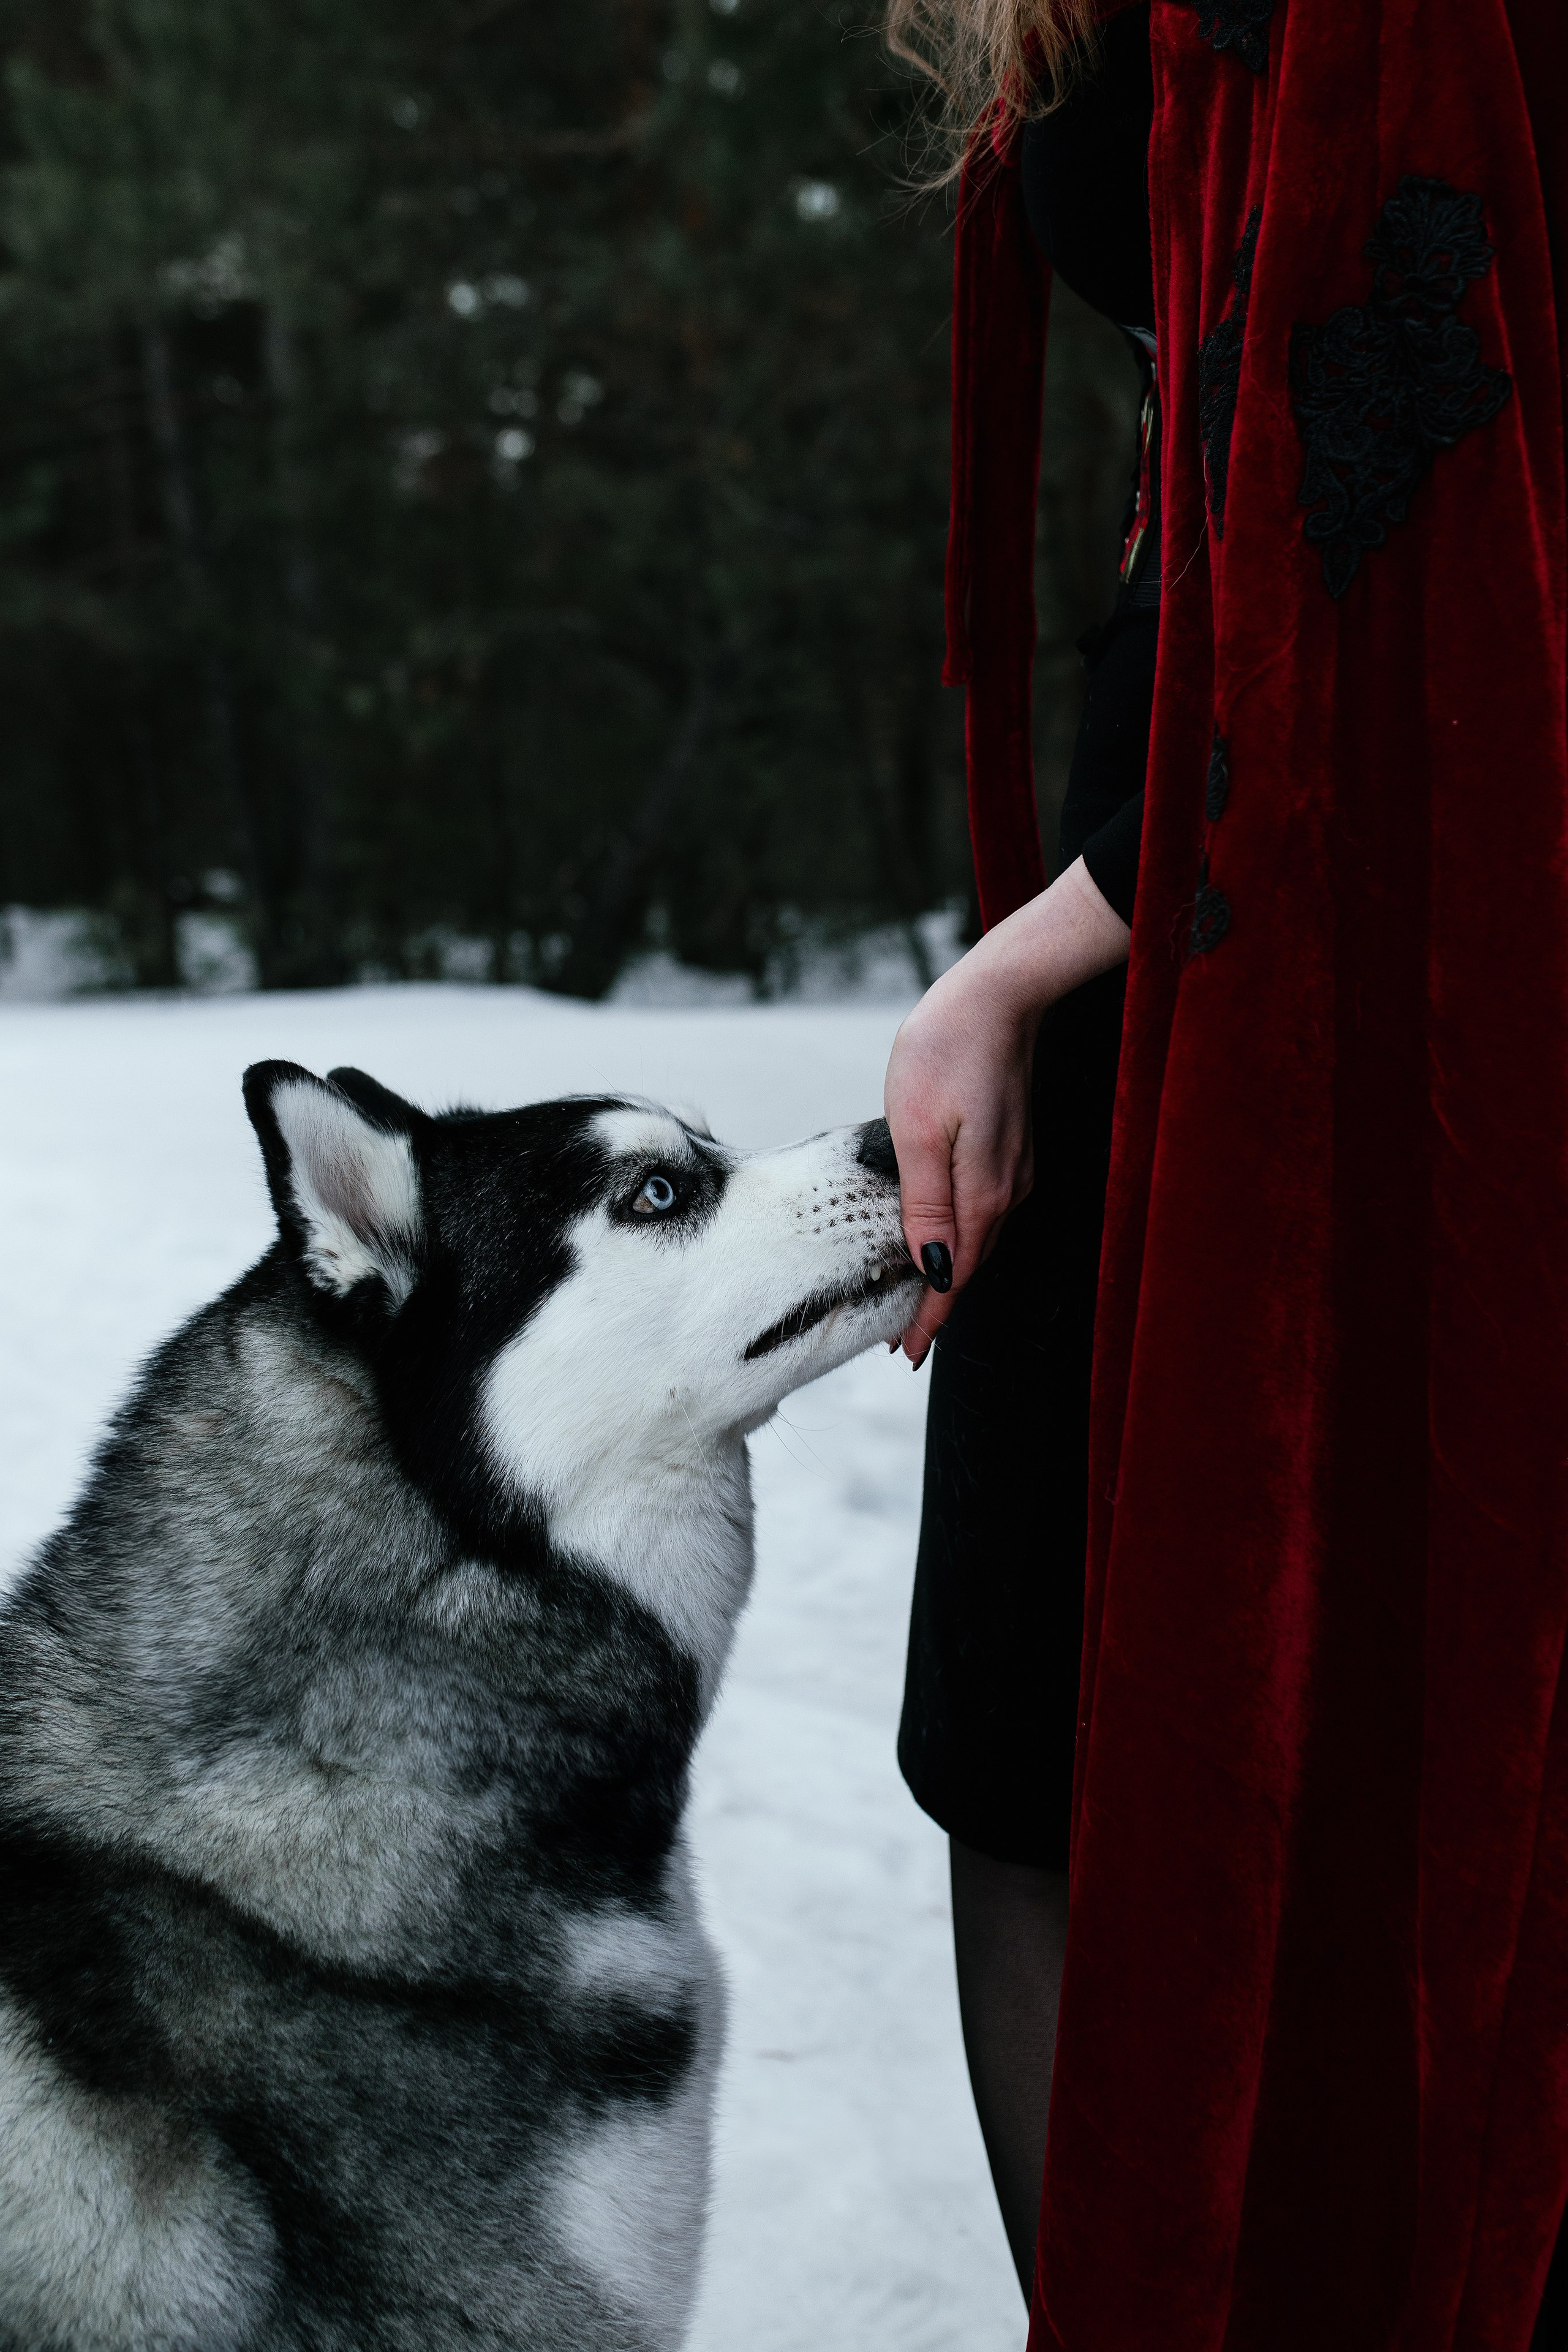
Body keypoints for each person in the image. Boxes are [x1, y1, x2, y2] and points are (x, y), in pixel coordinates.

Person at [879, 3, 1568, 2348]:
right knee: (1048, 1711)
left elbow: (1383, 448)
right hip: (1184, 871)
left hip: (1353, 909)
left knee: (1237, 1711)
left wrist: (1011, 971)